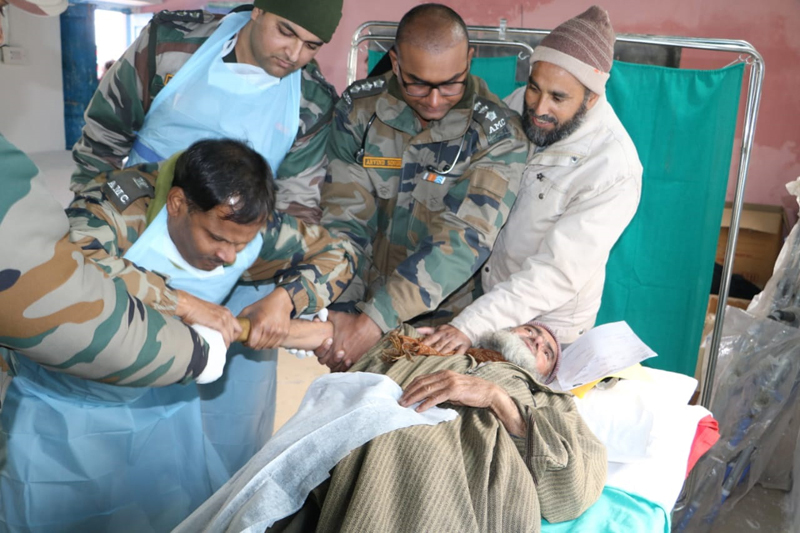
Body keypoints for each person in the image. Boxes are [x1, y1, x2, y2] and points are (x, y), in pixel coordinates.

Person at [0, 139, 355, 532]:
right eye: (217, 239)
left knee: (156, 501)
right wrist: (178, 301)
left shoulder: (240, 216)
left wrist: (286, 298)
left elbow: (339, 251)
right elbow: (73, 268)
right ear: (177, 204)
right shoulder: (118, 205)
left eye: (241, 244)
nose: (229, 257)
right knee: (57, 505)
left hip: (163, 391)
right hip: (63, 398)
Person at [174, 321, 604, 533]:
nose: (535, 339)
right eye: (530, 328)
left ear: (547, 373)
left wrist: (495, 398)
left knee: (411, 451)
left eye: (547, 348)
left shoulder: (551, 402)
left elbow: (569, 495)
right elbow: (352, 381)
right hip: (361, 436)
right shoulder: (430, 342)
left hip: (463, 470)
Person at [318, 3, 529, 371]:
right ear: (396, 64)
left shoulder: (497, 136)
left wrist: (372, 322)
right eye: (417, 83)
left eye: (450, 83)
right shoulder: (360, 111)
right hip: (359, 308)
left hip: (441, 331)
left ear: (469, 60)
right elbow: (344, 219)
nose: (434, 100)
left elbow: (461, 241)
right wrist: (341, 311)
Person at [423, 6, 643, 354]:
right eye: (534, 88)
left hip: (547, 331)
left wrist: (470, 325)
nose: (539, 108)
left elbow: (555, 274)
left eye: (558, 98)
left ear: (592, 98)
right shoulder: (517, 107)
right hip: (489, 301)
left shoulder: (613, 168)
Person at [71, 0, 342, 222]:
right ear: (258, 10)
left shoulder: (311, 102)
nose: (294, 54)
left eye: (311, 45)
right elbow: (104, 136)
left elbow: (296, 206)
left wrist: (239, 256)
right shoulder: (171, 44)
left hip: (233, 246)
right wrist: (90, 212)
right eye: (286, 32)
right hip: (134, 215)